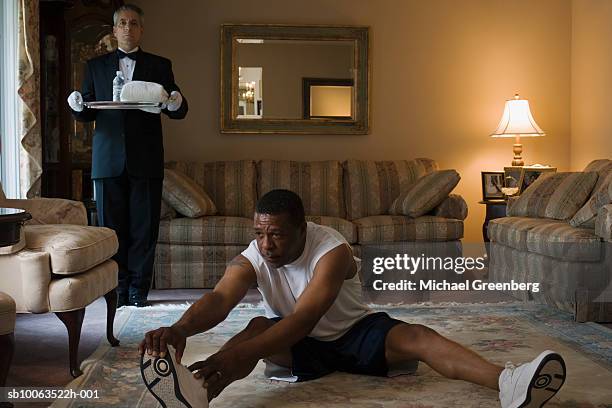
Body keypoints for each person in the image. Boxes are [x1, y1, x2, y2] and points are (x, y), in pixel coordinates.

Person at [139, 189, 566, 407]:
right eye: (259, 233)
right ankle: (196, 396)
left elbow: (306, 317)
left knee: (417, 334)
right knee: (255, 327)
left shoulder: (333, 250)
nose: (266, 245)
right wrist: (178, 329)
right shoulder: (256, 253)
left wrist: (239, 355)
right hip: (298, 348)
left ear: (303, 231)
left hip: (354, 334)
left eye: (277, 235)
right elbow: (220, 298)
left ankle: (510, 383)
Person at [68, 4, 188, 307]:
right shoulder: (94, 66)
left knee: (144, 230)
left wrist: (174, 101)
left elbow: (177, 109)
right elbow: (86, 112)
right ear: (114, 30)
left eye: (134, 23)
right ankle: (117, 290)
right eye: (122, 23)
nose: (127, 28)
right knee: (111, 230)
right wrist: (75, 105)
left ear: (141, 30)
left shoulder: (160, 65)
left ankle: (138, 291)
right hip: (107, 161)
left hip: (146, 159)